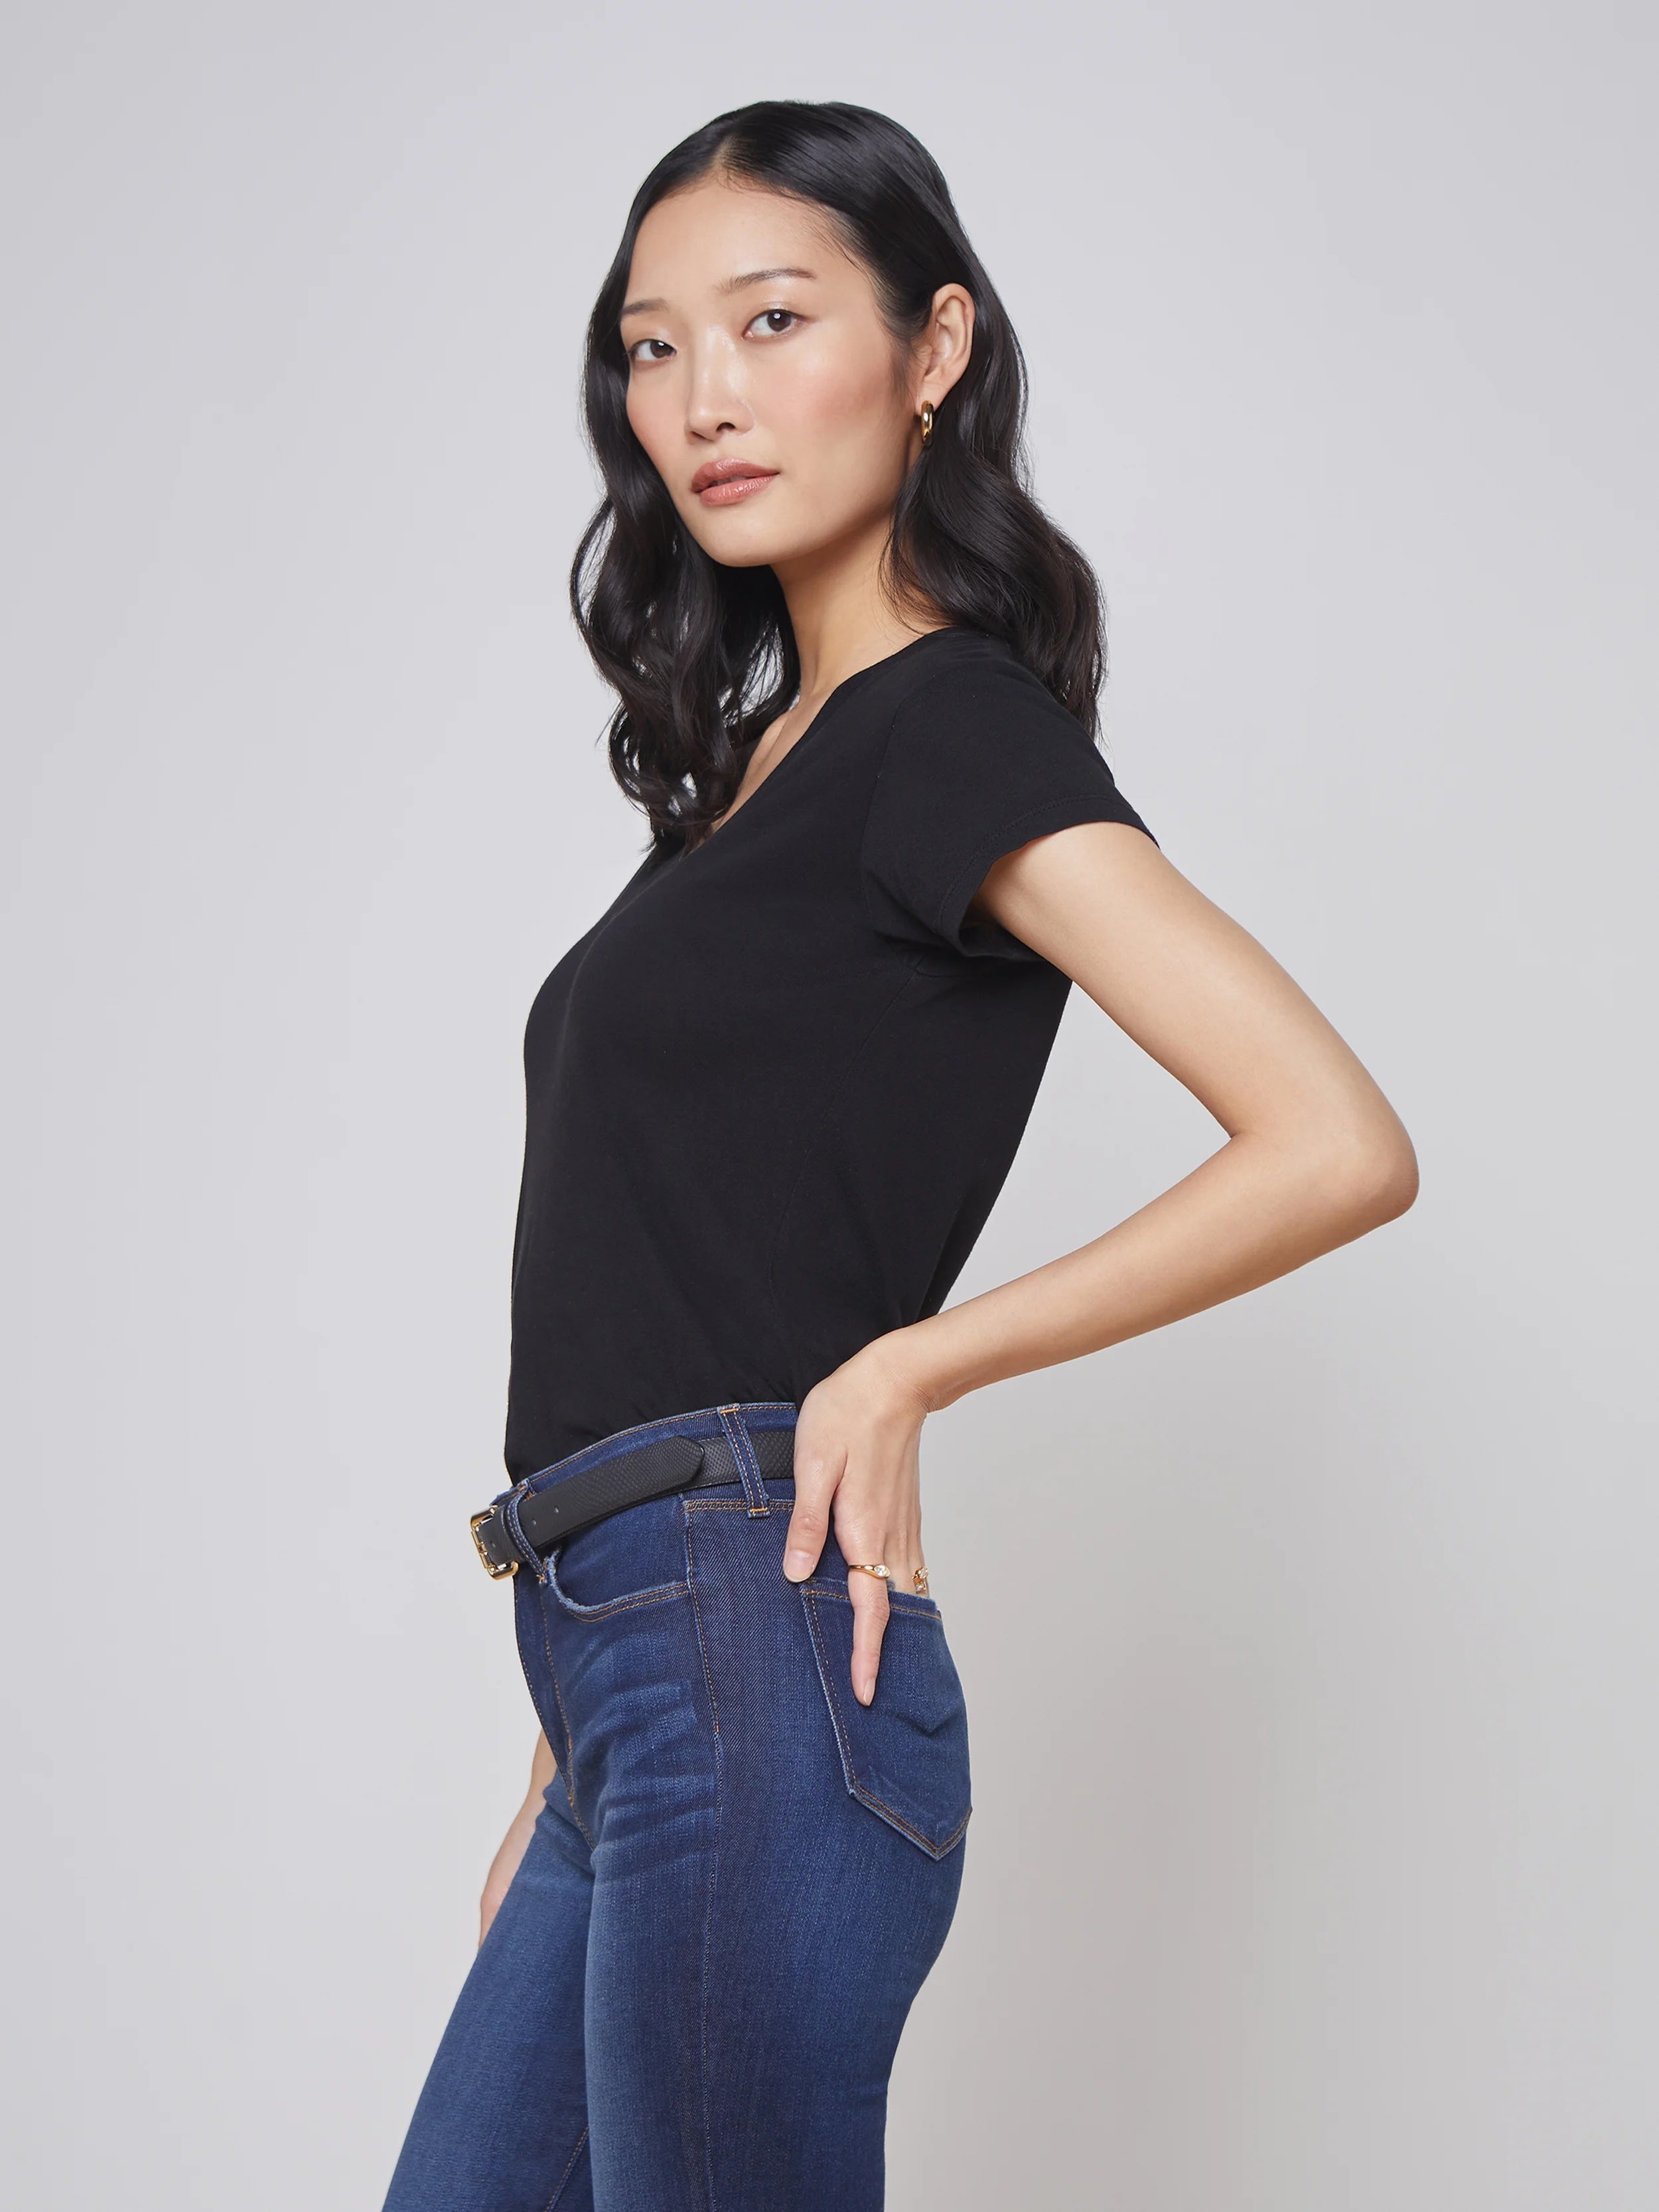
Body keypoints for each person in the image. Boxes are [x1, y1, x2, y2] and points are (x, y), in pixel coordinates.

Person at [381, 99, 1417, 2212]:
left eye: (772, 320)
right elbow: (683, 1267)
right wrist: (572, 1740)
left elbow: (1334, 1141)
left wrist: (910, 1367)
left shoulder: (948, 727)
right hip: (630, 1669)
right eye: (652, 347)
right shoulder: (757, 773)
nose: (704, 396)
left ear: (932, 346)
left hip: (738, 1655)